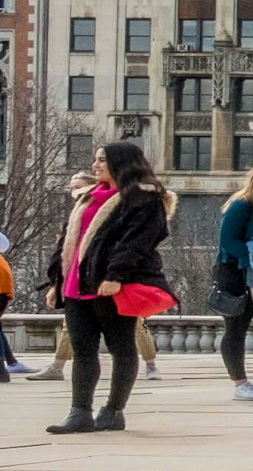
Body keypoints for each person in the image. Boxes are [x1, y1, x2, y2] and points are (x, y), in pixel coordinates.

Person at [45, 143, 170, 435]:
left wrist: (116, 274)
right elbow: (67, 241)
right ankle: (80, 412)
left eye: (102, 160)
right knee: (83, 350)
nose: (95, 165)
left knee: (122, 348)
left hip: (112, 286)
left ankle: (114, 410)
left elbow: (138, 241)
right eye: (95, 159)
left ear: (121, 163)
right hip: (77, 286)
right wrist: (57, 282)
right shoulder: (88, 197)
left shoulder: (142, 198)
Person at [214, 158, 253, 401]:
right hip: (236, 274)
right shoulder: (241, 205)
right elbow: (227, 241)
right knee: (235, 328)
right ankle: (240, 382)